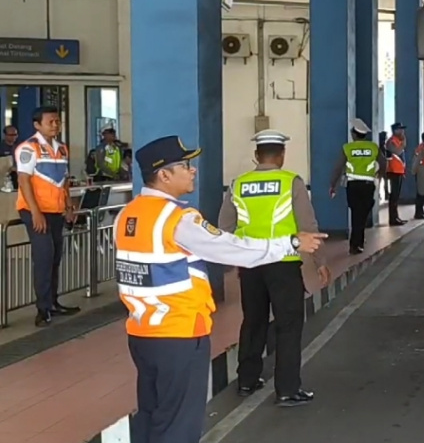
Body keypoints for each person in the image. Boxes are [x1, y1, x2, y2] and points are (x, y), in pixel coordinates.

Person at [114, 135, 325, 443]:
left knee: (152, 415)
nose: (194, 170)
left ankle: (248, 378)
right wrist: (291, 243)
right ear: (164, 175)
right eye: (186, 165)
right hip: (180, 334)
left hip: (142, 333)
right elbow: (228, 246)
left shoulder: (127, 215)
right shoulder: (178, 219)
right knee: (179, 426)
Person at [219, 129, 330, 407]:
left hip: (251, 266)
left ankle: (246, 379)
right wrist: (321, 262)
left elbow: (225, 228)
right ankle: (288, 389)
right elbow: (308, 226)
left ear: (257, 156)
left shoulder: (238, 184)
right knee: (289, 325)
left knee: (253, 321)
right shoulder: (291, 182)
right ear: (281, 156)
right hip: (283, 264)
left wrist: (233, 261)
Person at [15, 106, 79, 327]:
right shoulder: (28, 148)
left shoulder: (61, 149)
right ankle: (42, 310)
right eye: (51, 122)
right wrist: (35, 212)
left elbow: (64, 181)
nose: (55, 125)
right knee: (44, 256)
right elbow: (24, 181)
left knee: (55, 256)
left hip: (56, 211)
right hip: (35, 211)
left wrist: (69, 206)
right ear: (37, 125)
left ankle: (53, 302)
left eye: (57, 121)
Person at [330, 118, 387, 254]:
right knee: (362, 213)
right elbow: (384, 163)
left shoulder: (347, 148)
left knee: (357, 213)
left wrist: (333, 185)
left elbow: (338, 168)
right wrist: (380, 174)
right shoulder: (373, 147)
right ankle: (357, 242)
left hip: (353, 185)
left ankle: (356, 243)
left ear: (354, 134)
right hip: (368, 185)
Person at [384, 122, 408, 226]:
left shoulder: (398, 140)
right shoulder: (391, 141)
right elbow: (397, 152)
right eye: (400, 129)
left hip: (399, 171)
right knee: (393, 196)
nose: (403, 131)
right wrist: (403, 143)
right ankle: (393, 219)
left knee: (396, 196)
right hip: (393, 171)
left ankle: (396, 217)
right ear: (395, 130)